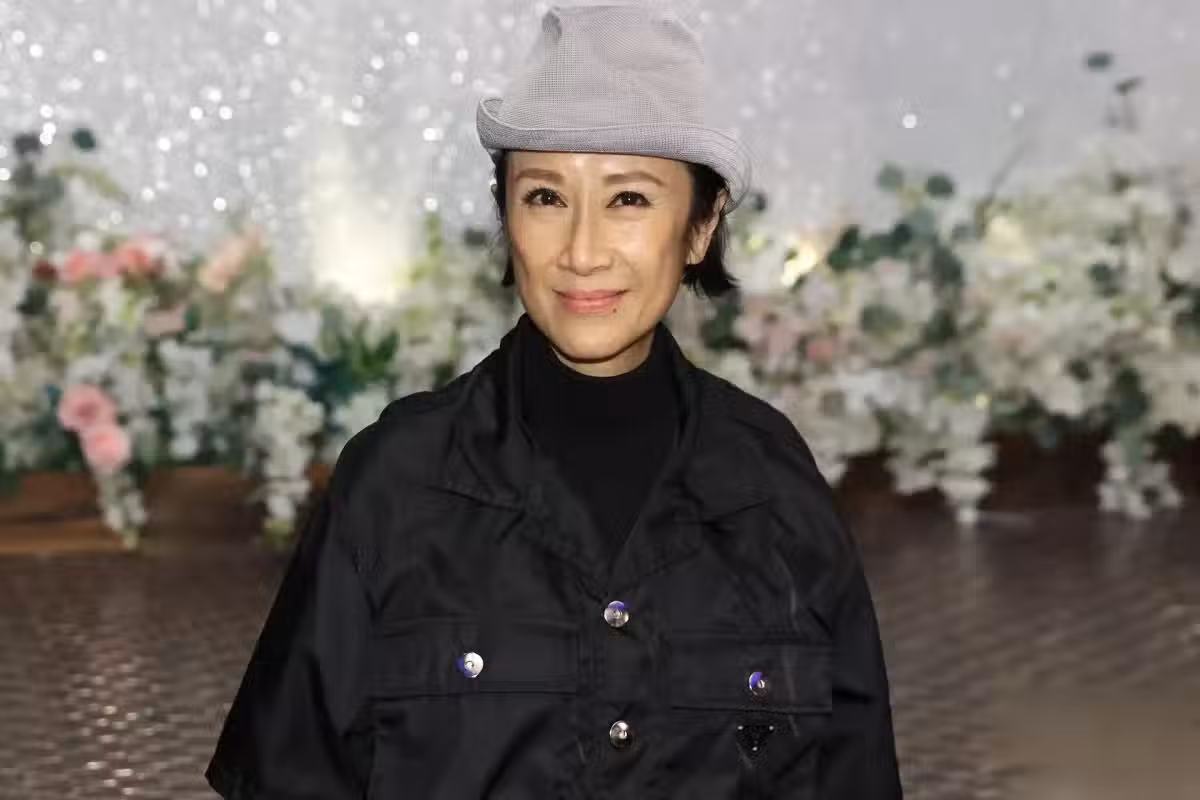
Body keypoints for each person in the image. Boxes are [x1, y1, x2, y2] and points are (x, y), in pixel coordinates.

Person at [205, 3, 903, 798]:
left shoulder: (771, 490)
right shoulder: (395, 484)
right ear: (507, 214)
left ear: (701, 226)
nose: (581, 251)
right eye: (545, 197)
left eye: (628, 200)